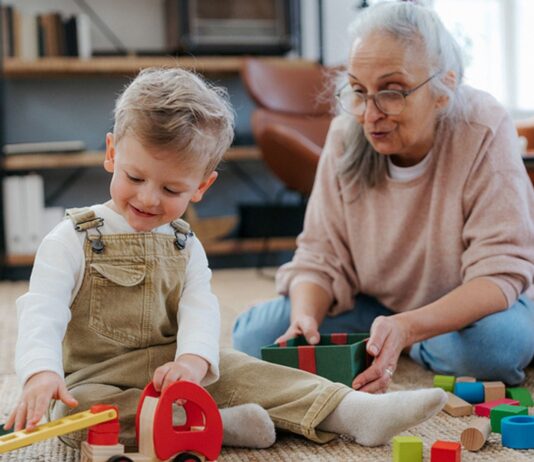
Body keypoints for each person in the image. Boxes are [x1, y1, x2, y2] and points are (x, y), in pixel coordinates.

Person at [4, 66, 447, 451]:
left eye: (172, 189)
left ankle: (352, 411)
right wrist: (41, 373)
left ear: (201, 186)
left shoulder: (184, 243)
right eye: (134, 176)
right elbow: (43, 310)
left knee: (244, 369)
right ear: (112, 154)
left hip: (173, 366)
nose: (147, 198)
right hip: (95, 379)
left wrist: (194, 362)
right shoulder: (71, 239)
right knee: (72, 419)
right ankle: (215, 425)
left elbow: (200, 308)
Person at [233, 1, 534, 393]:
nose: (370, 114)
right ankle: (394, 341)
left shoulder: (482, 126)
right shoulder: (346, 134)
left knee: (494, 348)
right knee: (253, 337)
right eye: (358, 91)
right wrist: (304, 319)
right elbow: (319, 256)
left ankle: (400, 342)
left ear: (444, 88)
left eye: (391, 91)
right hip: (375, 308)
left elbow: (500, 273)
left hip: (468, 314)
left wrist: (408, 327)